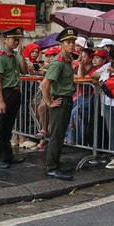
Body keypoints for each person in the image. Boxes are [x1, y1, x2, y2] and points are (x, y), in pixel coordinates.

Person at [0, 27, 28, 169]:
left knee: (7, 127)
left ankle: (7, 156)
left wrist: (21, 55)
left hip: (14, 93)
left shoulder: (15, 55)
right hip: (2, 93)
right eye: (14, 39)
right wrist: (0, 101)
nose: (17, 42)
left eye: (18, 40)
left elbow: (24, 70)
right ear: (5, 40)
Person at [39, 28, 78, 180]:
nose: (72, 45)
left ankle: (55, 163)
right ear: (61, 44)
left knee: (60, 134)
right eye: (68, 42)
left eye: (73, 42)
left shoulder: (67, 60)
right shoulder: (59, 61)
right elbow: (45, 83)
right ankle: (51, 167)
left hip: (66, 100)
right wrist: (49, 102)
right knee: (56, 135)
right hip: (60, 101)